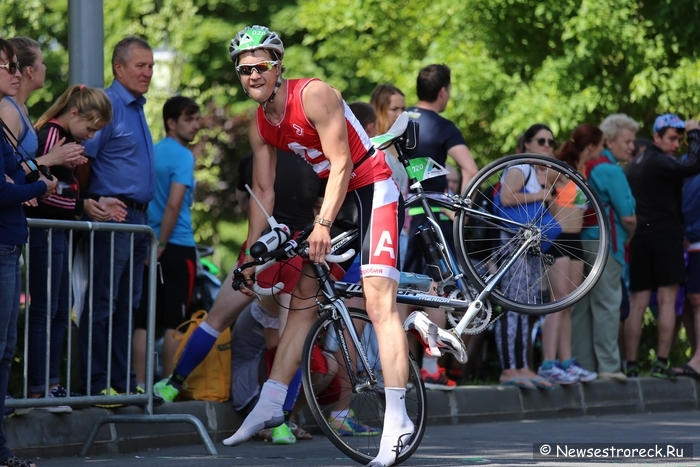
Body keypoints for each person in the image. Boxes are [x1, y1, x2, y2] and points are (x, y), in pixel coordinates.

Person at [221, 25, 415, 467]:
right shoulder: (260, 123)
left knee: (378, 303)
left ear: (278, 66)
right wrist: (251, 256)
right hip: (337, 198)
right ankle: (271, 402)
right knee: (301, 303)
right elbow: (263, 192)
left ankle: (398, 419)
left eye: (261, 66)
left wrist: (322, 224)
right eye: (244, 68)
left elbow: (345, 162)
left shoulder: (313, 95)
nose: (252, 75)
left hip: (372, 190)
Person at [26, 85, 121, 413]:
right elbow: (44, 189)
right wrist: (82, 204)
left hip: (57, 233)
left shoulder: (64, 137)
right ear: (75, 114)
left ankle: (51, 382)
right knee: (47, 309)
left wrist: (85, 203)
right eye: (91, 128)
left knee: (59, 307)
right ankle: (41, 385)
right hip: (47, 233)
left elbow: (62, 191)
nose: (92, 137)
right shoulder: (52, 135)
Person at [80, 36, 155, 397]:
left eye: (151, 66)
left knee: (129, 305)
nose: (148, 72)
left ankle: (121, 384)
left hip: (138, 221)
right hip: (114, 219)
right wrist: (88, 200)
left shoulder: (137, 107)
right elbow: (81, 157)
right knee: (105, 303)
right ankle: (97, 385)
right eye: (140, 66)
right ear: (119, 68)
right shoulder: (108, 105)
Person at [402, 65, 478, 390]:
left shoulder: (400, 118)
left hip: (402, 213)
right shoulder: (444, 126)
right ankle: (431, 366)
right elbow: (470, 169)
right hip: (435, 215)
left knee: (401, 288)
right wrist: (462, 210)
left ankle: (399, 366)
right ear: (443, 91)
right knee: (436, 289)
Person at [0, 37, 56, 467]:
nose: (15, 74)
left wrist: (26, 182)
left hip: (10, 238)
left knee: (5, 348)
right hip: (4, 239)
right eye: (7, 66)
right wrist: (38, 185)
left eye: (18, 66)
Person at [624, 114, 700, 379]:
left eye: (680, 139)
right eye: (672, 138)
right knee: (667, 301)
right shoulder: (660, 161)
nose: (677, 144)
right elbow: (692, 165)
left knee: (637, 304)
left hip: (641, 239)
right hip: (666, 237)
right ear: (656, 137)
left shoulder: (635, 164)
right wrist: (695, 135)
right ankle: (661, 362)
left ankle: (631, 364)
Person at [132, 96, 201, 389]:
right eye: (189, 119)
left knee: (144, 320)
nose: (196, 125)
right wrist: (161, 243)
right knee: (175, 320)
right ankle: (167, 384)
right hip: (176, 244)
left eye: (197, 119)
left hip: (146, 243)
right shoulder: (184, 156)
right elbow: (174, 204)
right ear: (171, 123)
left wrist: (153, 242)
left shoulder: (151, 151)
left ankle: (138, 385)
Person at [571, 114, 638, 382]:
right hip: (605, 244)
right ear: (608, 141)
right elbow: (628, 217)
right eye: (628, 140)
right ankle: (609, 366)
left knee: (582, 306)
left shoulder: (587, 166)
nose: (632, 146)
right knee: (608, 303)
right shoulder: (611, 170)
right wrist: (630, 233)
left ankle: (583, 364)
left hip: (580, 241)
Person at [537, 124, 602, 385]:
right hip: (559, 237)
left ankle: (566, 362)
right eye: (601, 144)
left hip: (575, 239)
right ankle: (547, 363)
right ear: (591, 146)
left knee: (569, 304)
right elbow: (540, 189)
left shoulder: (582, 170)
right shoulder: (559, 167)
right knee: (557, 302)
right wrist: (551, 206)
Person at [494, 125, 555, 390]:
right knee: (514, 306)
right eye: (541, 141)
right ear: (527, 143)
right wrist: (541, 194)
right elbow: (506, 198)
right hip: (513, 243)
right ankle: (509, 369)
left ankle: (523, 367)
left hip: (527, 244)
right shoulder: (521, 167)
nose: (546, 146)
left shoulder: (534, 171)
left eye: (551, 142)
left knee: (525, 305)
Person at [0, 37, 85, 173]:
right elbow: (7, 173)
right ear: (30, 71)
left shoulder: (21, 108)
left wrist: (60, 158)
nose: (45, 68)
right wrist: (50, 158)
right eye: (43, 63)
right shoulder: (9, 111)